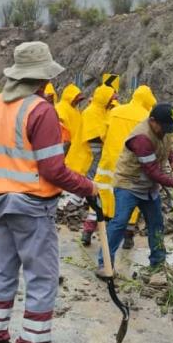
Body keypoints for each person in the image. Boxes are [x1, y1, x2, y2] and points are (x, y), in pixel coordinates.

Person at [0, 42, 98, 343]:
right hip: (31, 205)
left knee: (0, 272)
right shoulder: (41, 111)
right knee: (41, 277)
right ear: (41, 78)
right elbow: (53, 170)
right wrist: (88, 187)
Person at [97, 103, 173, 275]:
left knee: (156, 224)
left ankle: (158, 263)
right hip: (129, 184)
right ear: (152, 121)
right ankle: (104, 264)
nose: (166, 131)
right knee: (119, 223)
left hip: (149, 187)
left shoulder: (163, 130)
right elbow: (152, 171)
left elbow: (167, 146)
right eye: (163, 127)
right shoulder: (141, 138)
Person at [94, 85, 157, 250]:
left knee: (103, 193)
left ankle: (94, 230)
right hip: (131, 163)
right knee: (131, 198)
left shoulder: (115, 111)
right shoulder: (147, 117)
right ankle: (128, 237)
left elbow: (103, 135)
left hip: (109, 161)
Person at [65, 85, 116, 246]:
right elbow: (94, 138)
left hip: (100, 160)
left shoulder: (101, 111)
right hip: (91, 159)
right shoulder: (91, 112)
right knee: (97, 193)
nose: (112, 102)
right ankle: (89, 229)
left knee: (99, 194)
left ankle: (91, 229)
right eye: (111, 98)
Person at [54, 83, 84, 154]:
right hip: (64, 145)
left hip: (74, 146)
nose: (78, 101)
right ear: (70, 97)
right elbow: (59, 123)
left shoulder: (75, 110)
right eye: (76, 99)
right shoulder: (61, 107)